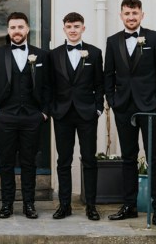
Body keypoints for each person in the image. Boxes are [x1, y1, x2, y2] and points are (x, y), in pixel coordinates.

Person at [104, 0, 156, 226]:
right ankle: (129, 206)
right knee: (128, 158)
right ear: (121, 15)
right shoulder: (113, 41)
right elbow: (108, 75)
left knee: (154, 157)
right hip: (123, 107)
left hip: (149, 107)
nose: (131, 17)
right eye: (127, 13)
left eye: (135, 13)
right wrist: (113, 102)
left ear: (142, 14)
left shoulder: (155, 37)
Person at [0, 12, 51, 219]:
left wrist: (44, 113)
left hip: (32, 117)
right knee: (5, 163)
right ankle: (6, 204)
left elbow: (49, 87)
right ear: (8, 30)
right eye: (13, 27)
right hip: (5, 117)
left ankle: (29, 205)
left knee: (29, 163)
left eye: (20, 27)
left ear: (27, 29)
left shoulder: (41, 55)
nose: (16, 31)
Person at [50, 12, 103, 220]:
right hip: (62, 114)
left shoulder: (95, 53)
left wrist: (98, 108)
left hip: (87, 114)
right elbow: (49, 86)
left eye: (77, 26)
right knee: (63, 161)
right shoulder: (53, 55)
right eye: (69, 26)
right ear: (64, 28)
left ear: (83, 28)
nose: (73, 30)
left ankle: (91, 205)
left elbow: (100, 84)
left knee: (89, 160)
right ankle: (65, 205)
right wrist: (53, 109)